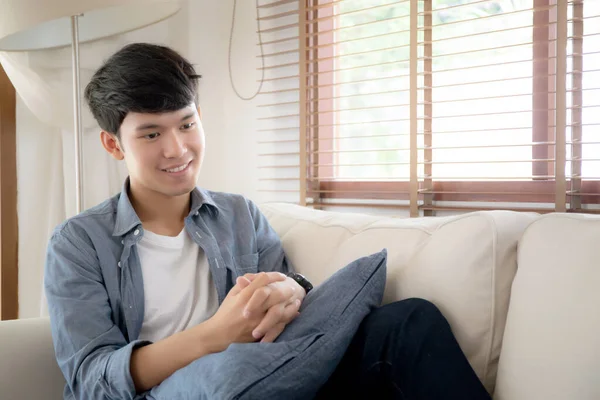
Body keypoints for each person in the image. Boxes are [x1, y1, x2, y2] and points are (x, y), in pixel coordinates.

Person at [44, 43, 491, 400]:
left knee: (408, 321)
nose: (177, 149)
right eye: (151, 134)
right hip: (183, 389)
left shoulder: (239, 214)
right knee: (228, 374)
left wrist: (295, 288)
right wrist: (214, 336)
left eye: (186, 124)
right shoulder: (79, 243)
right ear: (113, 144)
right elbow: (91, 379)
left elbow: (287, 295)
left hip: (274, 375)